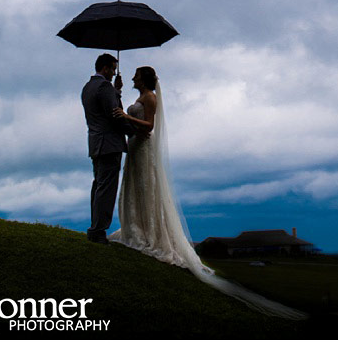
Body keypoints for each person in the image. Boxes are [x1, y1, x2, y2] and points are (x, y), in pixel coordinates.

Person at [109, 67, 305, 319]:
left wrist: (127, 116)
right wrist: (118, 92)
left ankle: (148, 232)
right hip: (134, 148)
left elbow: (148, 126)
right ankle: (137, 226)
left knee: (146, 189)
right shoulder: (139, 97)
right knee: (134, 189)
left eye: (136, 75)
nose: (134, 77)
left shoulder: (150, 98)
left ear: (144, 79)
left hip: (143, 146)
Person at [80, 53, 134, 244]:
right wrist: (132, 132)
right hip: (109, 144)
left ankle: (96, 227)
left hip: (96, 143)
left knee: (98, 186)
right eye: (112, 68)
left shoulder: (88, 87)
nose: (113, 73)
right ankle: (98, 230)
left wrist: (116, 90)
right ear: (105, 68)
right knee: (106, 189)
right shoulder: (104, 86)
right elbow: (114, 115)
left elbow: (103, 109)